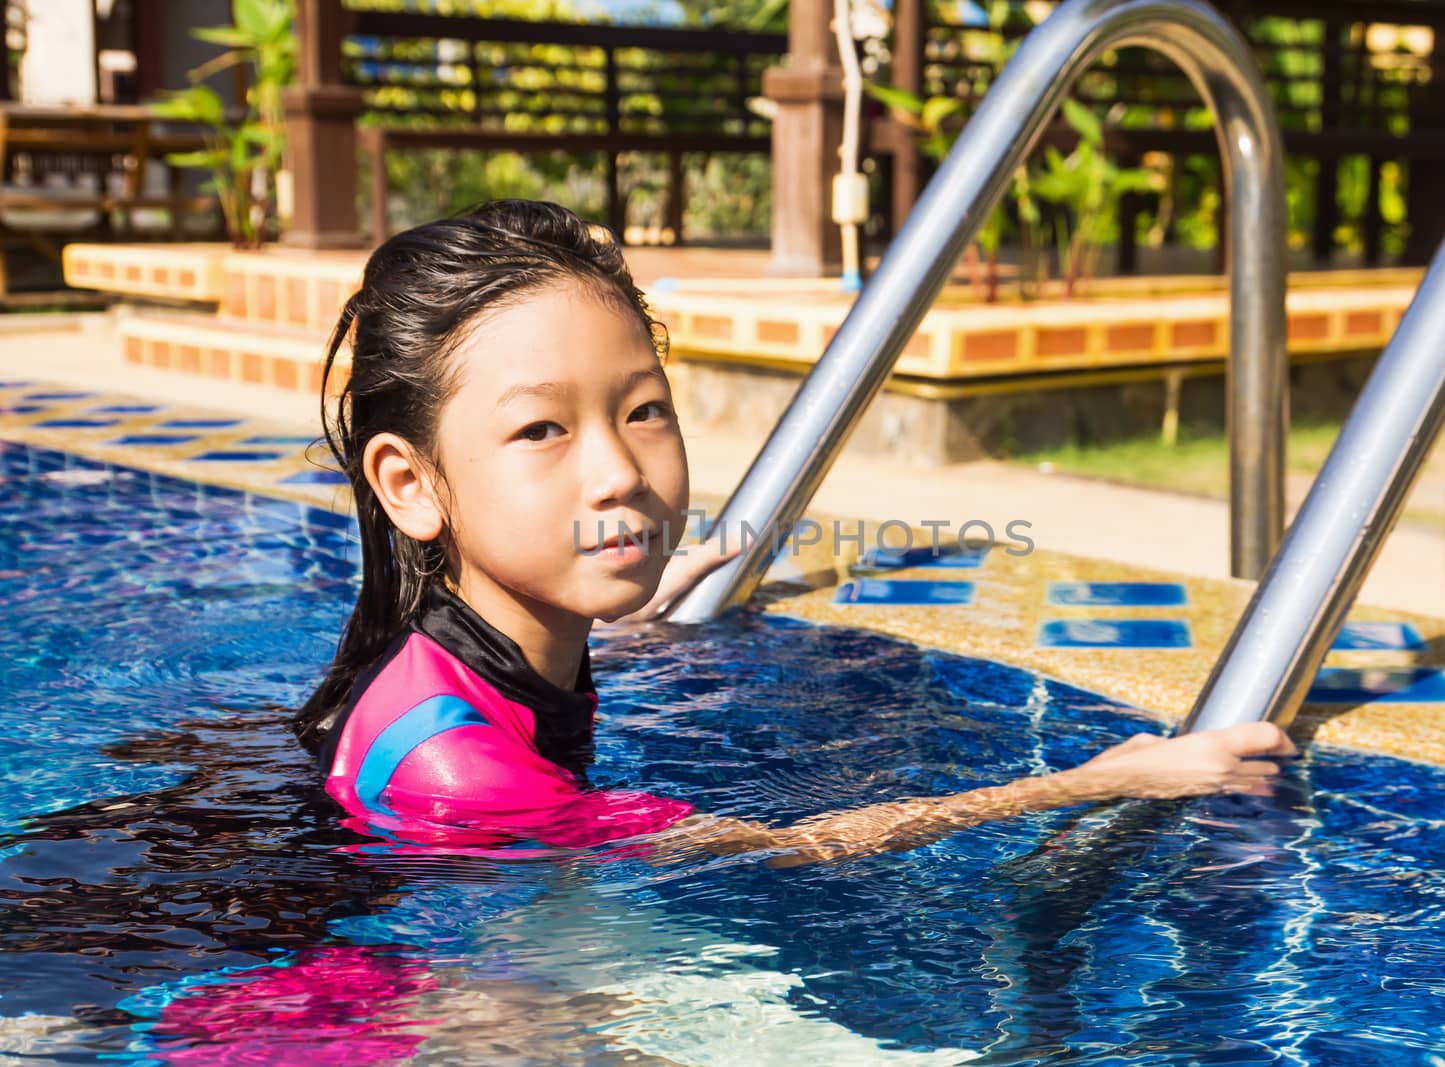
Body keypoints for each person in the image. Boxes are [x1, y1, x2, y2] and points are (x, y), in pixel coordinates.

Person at [295, 199, 1297, 866]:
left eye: (642, 409)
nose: (617, 469)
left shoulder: (464, 650)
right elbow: (793, 845)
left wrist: (634, 601)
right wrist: (1107, 777)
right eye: (541, 429)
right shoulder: (465, 778)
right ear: (410, 483)